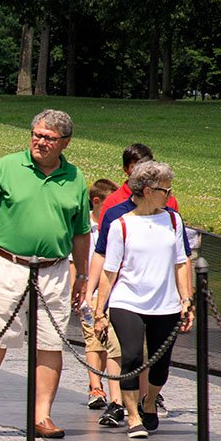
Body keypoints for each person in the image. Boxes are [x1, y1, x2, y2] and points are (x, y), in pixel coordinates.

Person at [0, 110, 91, 438]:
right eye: (36, 134)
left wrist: (82, 275)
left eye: (48, 137)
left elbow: (80, 231)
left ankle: (42, 415)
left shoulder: (75, 178)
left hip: (55, 268)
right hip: (7, 261)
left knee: (51, 340)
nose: (40, 141)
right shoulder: (7, 166)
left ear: (65, 142)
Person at [89, 161, 193, 439]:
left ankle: (149, 403)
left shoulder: (173, 220)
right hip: (127, 301)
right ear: (148, 191)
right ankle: (133, 415)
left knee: (160, 362)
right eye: (165, 190)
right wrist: (100, 310)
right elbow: (109, 273)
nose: (169, 195)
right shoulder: (122, 224)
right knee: (132, 356)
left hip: (165, 302)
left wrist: (187, 299)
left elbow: (182, 263)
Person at [83, 178, 122, 420]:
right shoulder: (85, 226)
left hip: (111, 292)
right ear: (97, 202)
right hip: (91, 290)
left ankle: (113, 391)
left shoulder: (116, 225)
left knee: (110, 342)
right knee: (92, 341)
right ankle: (95, 386)